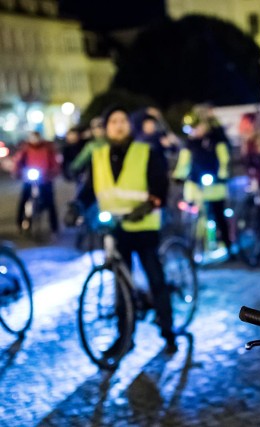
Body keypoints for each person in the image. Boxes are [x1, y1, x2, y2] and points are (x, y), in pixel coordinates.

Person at [64, 106, 177, 355]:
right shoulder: (99, 155)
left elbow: (160, 185)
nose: (119, 125)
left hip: (144, 226)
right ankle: (125, 337)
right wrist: (76, 205)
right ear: (106, 128)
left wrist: (148, 205)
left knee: (155, 278)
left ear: (130, 126)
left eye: (123, 120)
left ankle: (168, 332)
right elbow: (89, 188)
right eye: (113, 121)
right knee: (120, 287)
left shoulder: (145, 151)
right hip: (116, 229)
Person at [172, 110, 233, 259]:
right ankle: (197, 247)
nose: (194, 131)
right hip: (196, 187)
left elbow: (224, 160)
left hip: (215, 187)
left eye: (196, 127)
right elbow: (183, 162)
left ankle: (228, 246)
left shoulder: (215, 140)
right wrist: (178, 176)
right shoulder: (189, 144)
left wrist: (222, 176)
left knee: (219, 216)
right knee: (195, 218)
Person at [13, 130, 60, 236]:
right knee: (24, 199)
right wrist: (17, 172)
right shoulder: (25, 149)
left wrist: (52, 173)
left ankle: (54, 227)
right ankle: (20, 223)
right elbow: (18, 162)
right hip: (29, 179)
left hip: (45, 179)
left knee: (50, 202)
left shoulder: (47, 148)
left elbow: (55, 163)